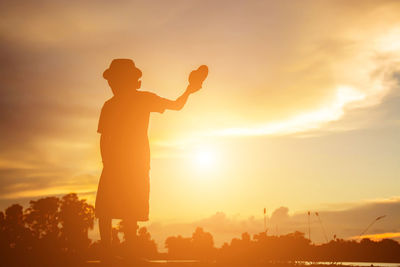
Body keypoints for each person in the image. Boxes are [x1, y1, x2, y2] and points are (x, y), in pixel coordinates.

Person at [95, 59, 207, 259]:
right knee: (114, 208)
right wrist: (189, 89)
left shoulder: (128, 102)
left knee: (120, 209)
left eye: (114, 81)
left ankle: (120, 252)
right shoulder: (118, 104)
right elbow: (104, 137)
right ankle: (112, 251)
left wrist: (190, 89)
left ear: (129, 81)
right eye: (111, 82)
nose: (111, 85)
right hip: (126, 163)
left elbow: (176, 105)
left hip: (130, 163)